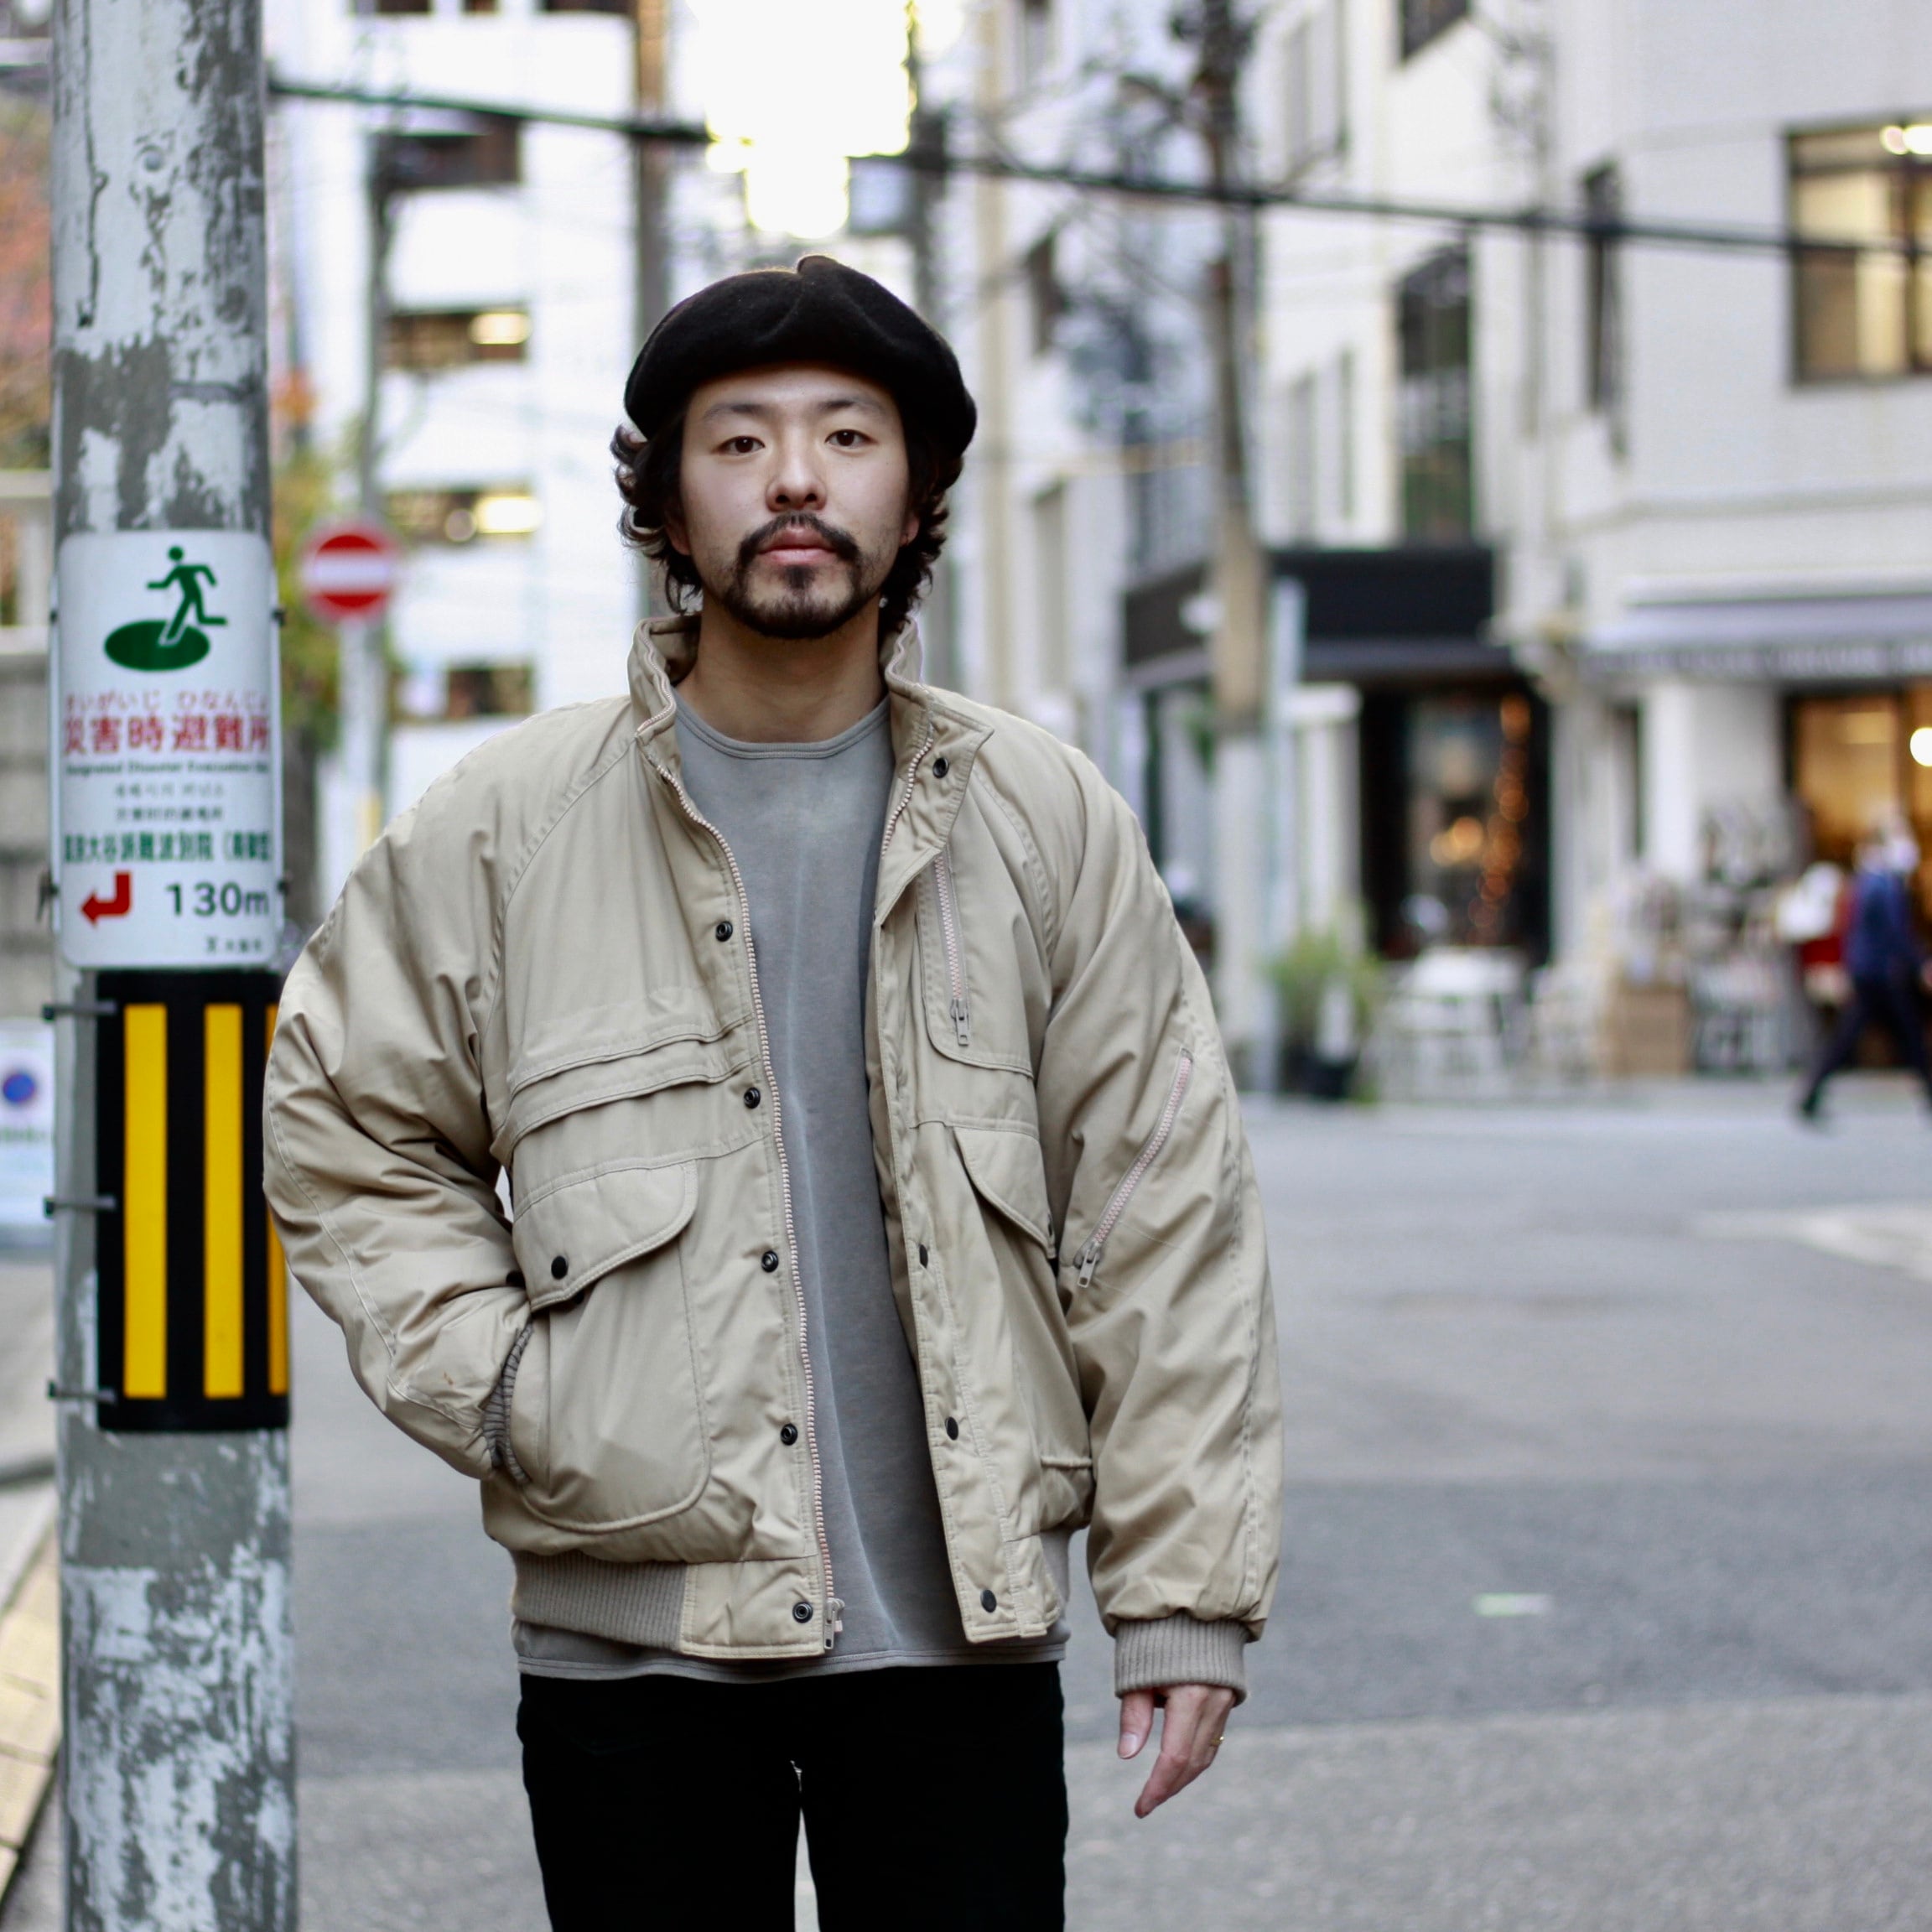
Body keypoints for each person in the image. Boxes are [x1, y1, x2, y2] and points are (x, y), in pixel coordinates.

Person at [263, 256, 1282, 1930]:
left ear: (917, 494)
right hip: (632, 1645)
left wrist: (1180, 1594)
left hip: (958, 1645)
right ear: (669, 502)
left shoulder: (1044, 817)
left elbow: (1160, 1204)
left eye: (847, 436)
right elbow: (345, 1121)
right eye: (738, 441)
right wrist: (517, 1392)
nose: (795, 478)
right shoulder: (504, 823)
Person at [1797, 818, 1932, 1119]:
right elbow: (1897, 933)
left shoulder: (1869, 882)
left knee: (1862, 1035)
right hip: (1881, 974)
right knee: (1908, 1036)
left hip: (1871, 972)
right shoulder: (1883, 885)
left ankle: (1811, 1094)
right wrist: (1919, 963)